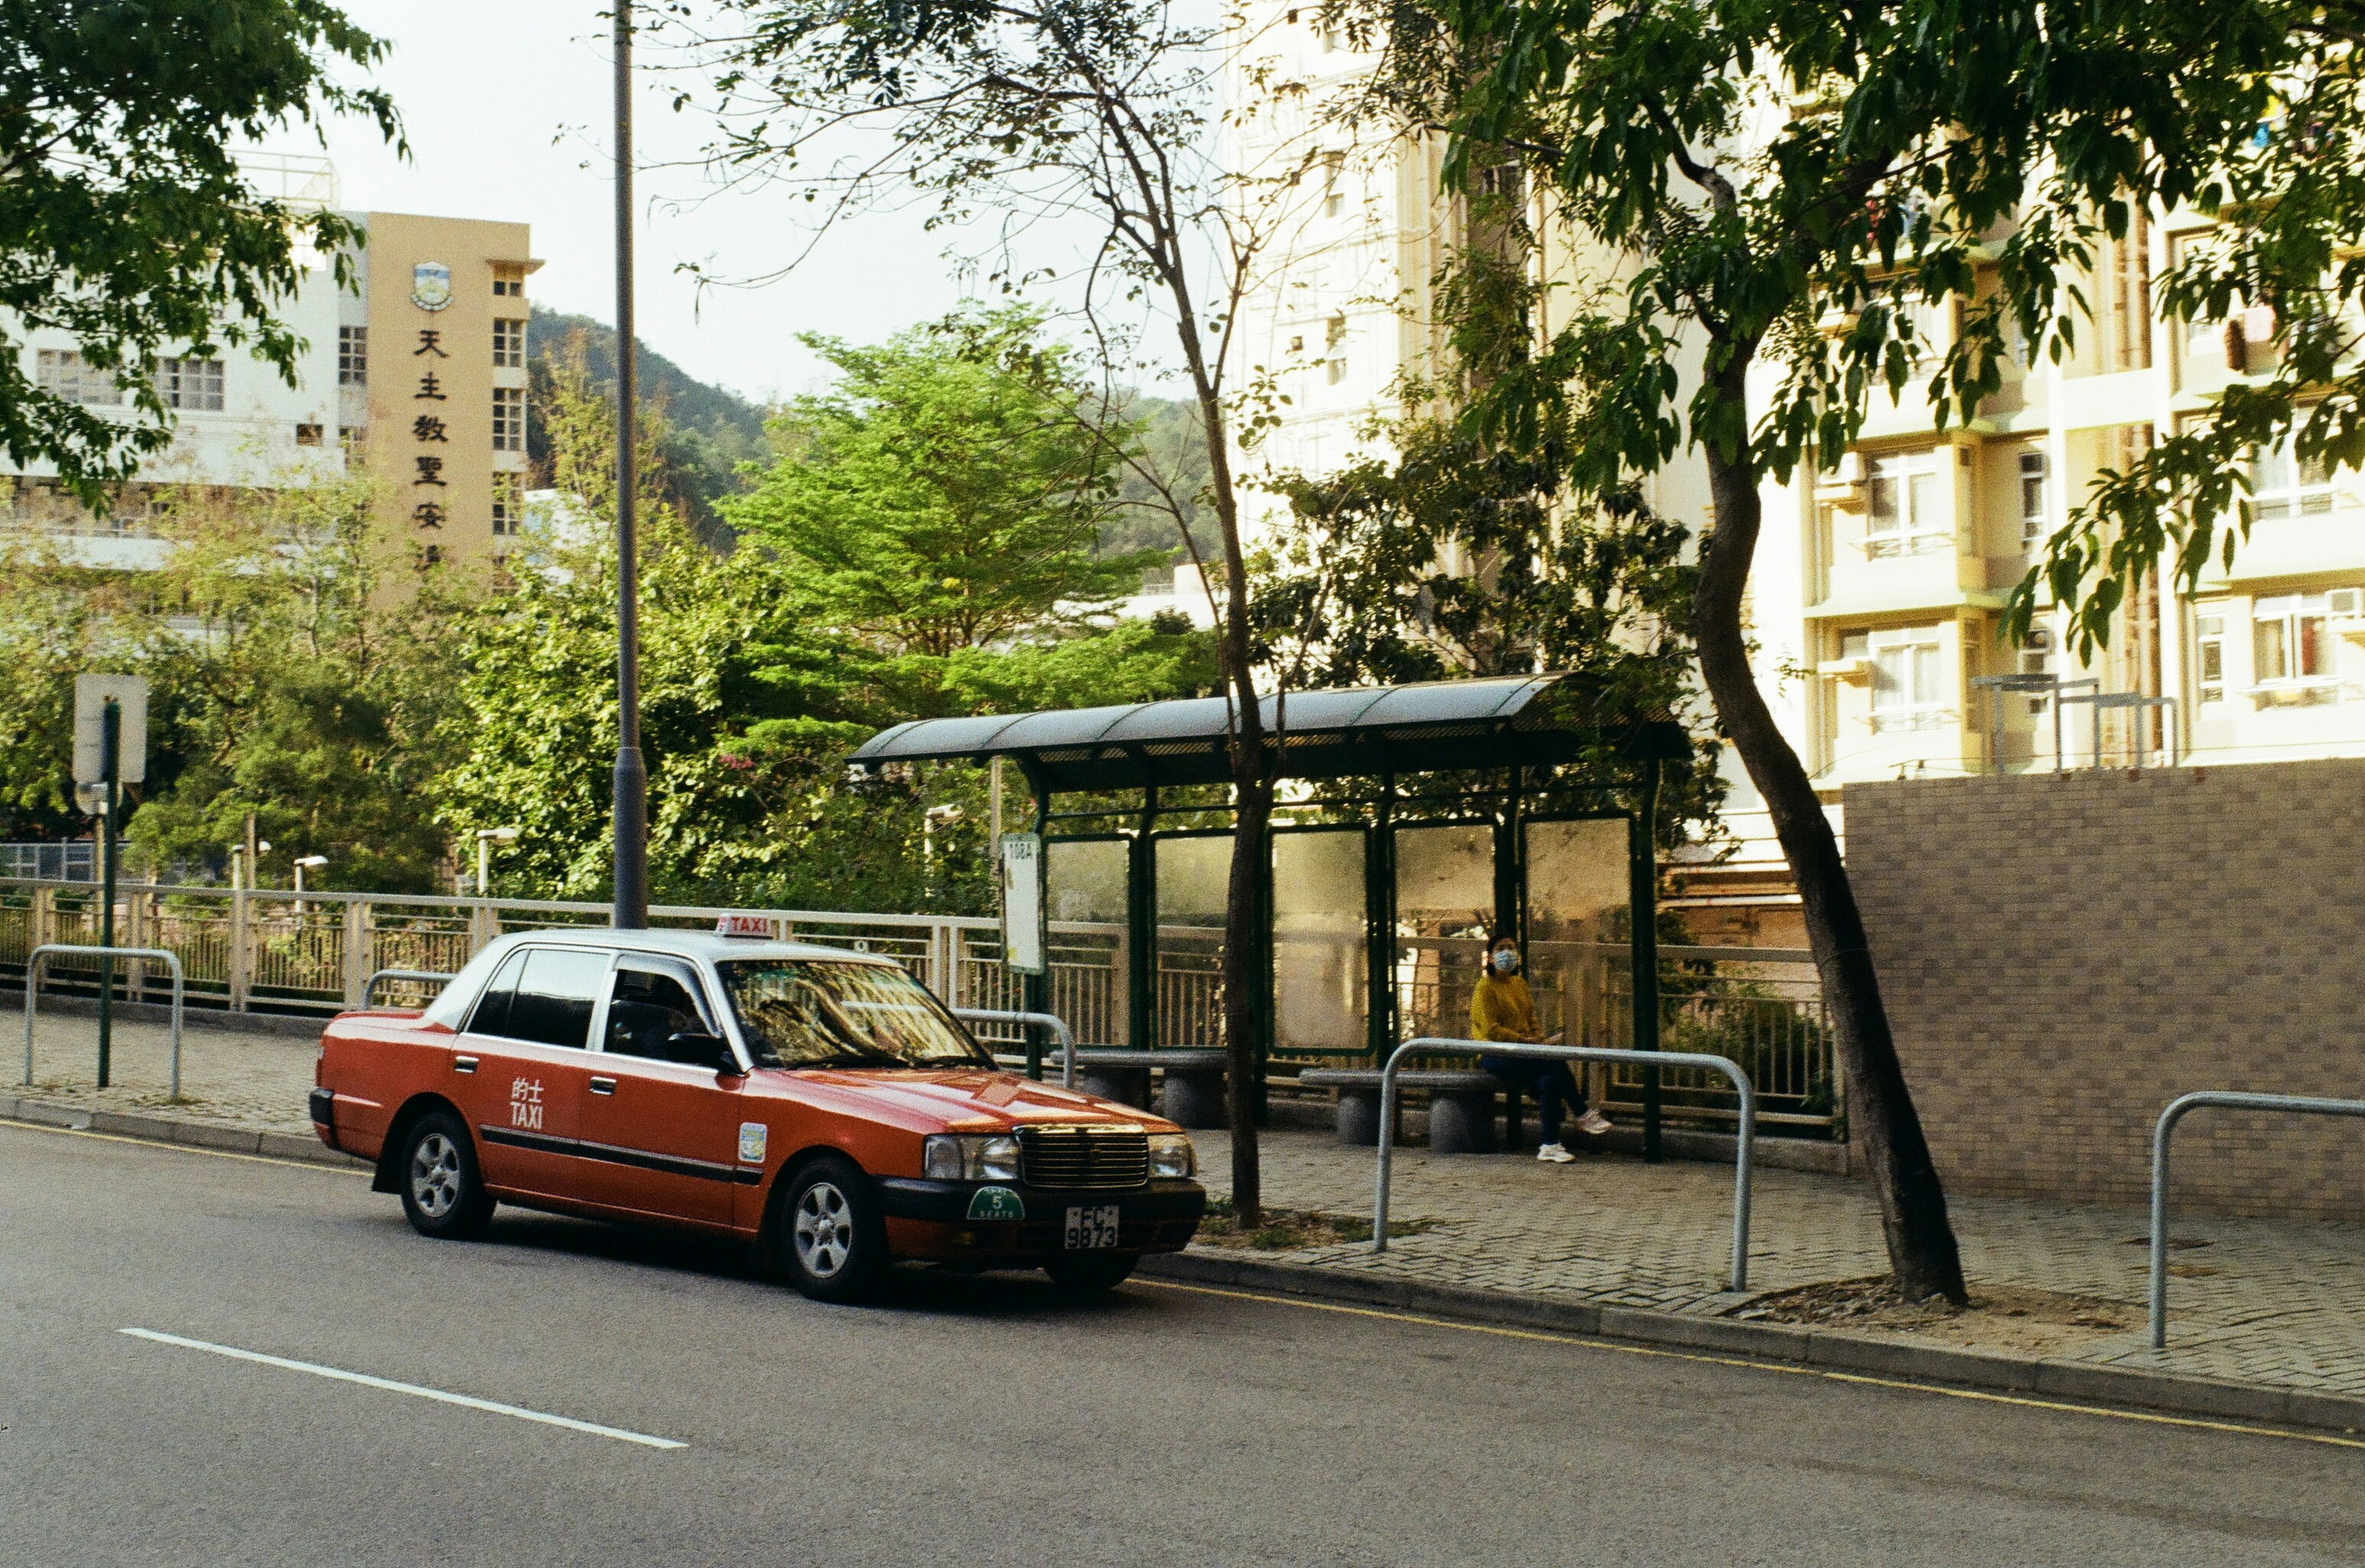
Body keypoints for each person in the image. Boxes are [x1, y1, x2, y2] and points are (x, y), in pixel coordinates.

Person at [1472, 932, 1611, 1161]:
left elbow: (1531, 1020)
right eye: (1501, 949)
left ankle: (1550, 1144)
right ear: (1490, 958)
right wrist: (1527, 1042)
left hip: (1525, 1051)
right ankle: (1580, 1111)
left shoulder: (1519, 984)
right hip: (1495, 1054)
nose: (1507, 953)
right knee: (1553, 1062)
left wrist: (1540, 1041)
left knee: (1549, 1079)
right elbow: (1491, 1030)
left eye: (1511, 948)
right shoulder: (1485, 988)